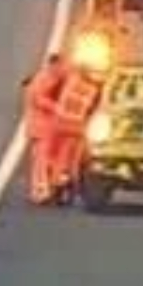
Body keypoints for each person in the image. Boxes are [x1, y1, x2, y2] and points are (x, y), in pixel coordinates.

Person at [46, 64, 104, 206]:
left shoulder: (72, 80)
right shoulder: (94, 90)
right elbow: (95, 110)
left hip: (58, 124)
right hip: (76, 127)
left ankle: (55, 185)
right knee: (75, 161)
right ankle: (68, 185)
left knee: (55, 157)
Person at [22, 54, 69, 205]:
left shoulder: (58, 78)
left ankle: (52, 188)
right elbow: (37, 98)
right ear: (54, 65)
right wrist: (57, 108)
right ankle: (40, 192)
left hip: (52, 129)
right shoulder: (43, 79)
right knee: (41, 162)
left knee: (52, 161)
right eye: (61, 66)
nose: (64, 69)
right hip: (40, 128)